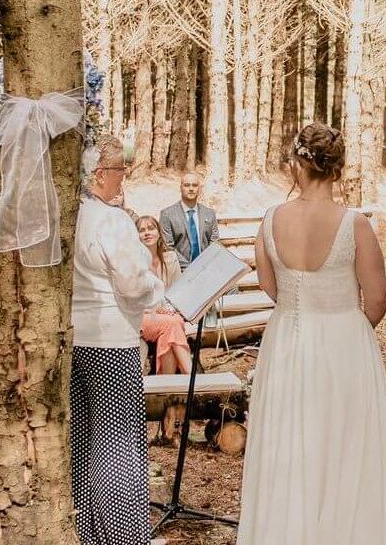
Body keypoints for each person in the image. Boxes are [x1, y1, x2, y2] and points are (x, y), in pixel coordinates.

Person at [238, 124, 386, 544]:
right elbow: (379, 297)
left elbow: (268, 283)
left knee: (287, 445)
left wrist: (302, 309)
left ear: (297, 165)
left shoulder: (269, 219)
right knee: (344, 446)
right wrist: (348, 328)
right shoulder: (355, 224)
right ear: (337, 169)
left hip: (286, 340)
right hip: (344, 345)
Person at [67, 135, 166, 545]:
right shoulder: (111, 220)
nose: (124, 178)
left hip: (78, 339)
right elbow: (130, 284)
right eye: (120, 171)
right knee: (119, 443)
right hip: (112, 340)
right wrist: (156, 289)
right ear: (100, 175)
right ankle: (125, 535)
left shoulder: (76, 214)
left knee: (87, 438)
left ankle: (89, 531)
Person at [136, 215, 190, 376]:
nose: (147, 233)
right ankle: (191, 375)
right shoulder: (134, 262)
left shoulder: (170, 258)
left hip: (165, 315)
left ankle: (166, 380)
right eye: (141, 230)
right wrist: (161, 309)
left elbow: (177, 292)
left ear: (159, 232)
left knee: (173, 324)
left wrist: (171, 309)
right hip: (141, 317)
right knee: (172, 324)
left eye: (151, 228)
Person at [159, 171, 218, 270]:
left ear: (199, 189)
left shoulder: (209, 213)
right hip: (179, 270)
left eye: (194, 185)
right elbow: (168, 247)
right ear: (181, 188)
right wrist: (190, 269)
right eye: (187, 185)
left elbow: (214, 243)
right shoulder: (167, 215)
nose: (191, 189)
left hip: (206, 268)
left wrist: (205, 265)